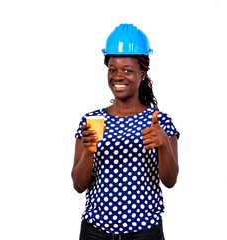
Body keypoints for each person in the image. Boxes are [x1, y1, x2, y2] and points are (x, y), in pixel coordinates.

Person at [72, 23, 180, 240]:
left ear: (142, 74)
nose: (118, 76)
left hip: (144, 233)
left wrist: (163, 144)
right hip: (95, 232)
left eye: (127, 70)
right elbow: (78, 185)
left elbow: (170, 181)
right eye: (112, 69)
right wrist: (89, 152)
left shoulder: (159, 122)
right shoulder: (92, 121)